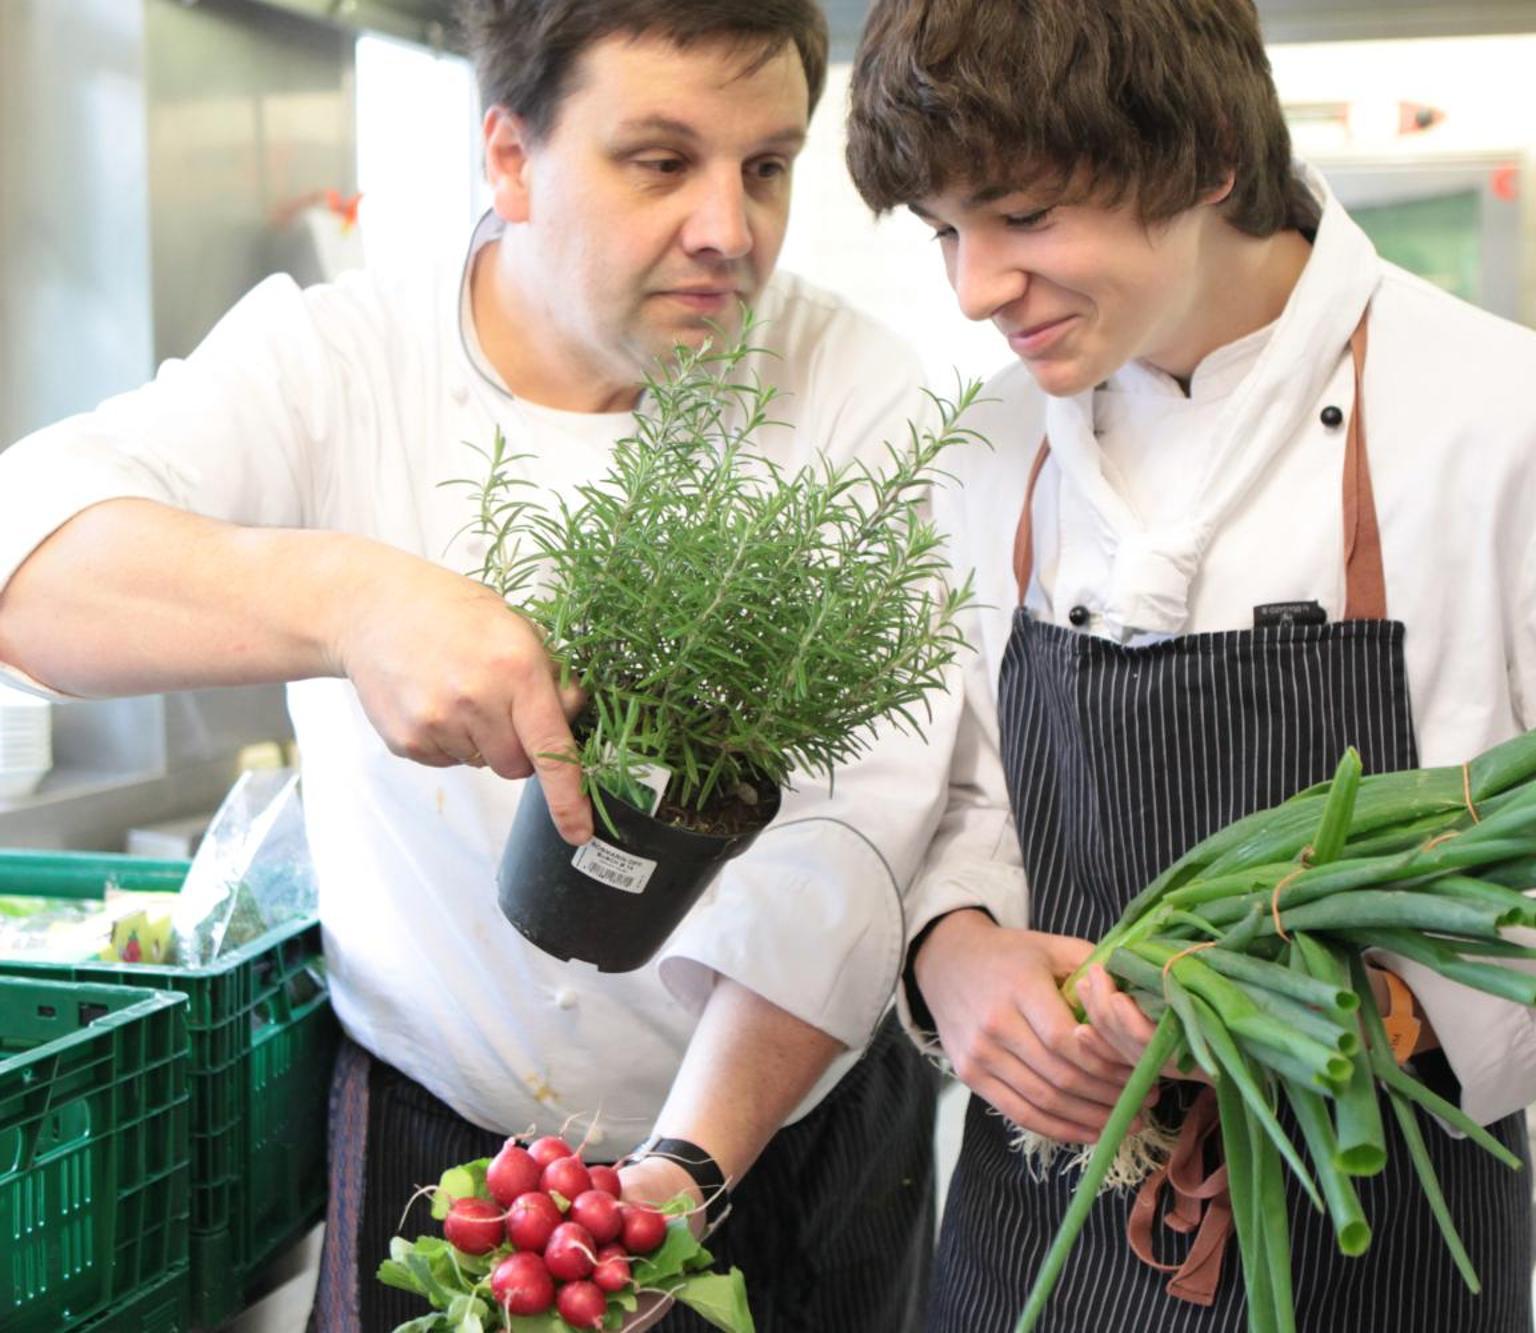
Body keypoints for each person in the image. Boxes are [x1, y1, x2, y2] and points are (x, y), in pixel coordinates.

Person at [0, 2, 947, 1328]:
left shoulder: (859, 390)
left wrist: (678, 1170)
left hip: (782, 1142)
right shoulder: (339, 361)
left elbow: (861, 830)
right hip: (438, 1125)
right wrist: (345, 599)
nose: (730, 230)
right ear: (508, 158)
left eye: (768, 166)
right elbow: (24, 558)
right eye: (661, 162)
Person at [845, 1, 1536, 1328]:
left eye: (1024, 217)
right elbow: (954, 793)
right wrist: (952, 951)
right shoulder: (982, 452)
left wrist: (1378, 1006)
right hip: (1033, 1244)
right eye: (946, 235)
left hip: (1378, 1236)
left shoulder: (1524, 430)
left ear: (1205, 152)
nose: (976, 288)